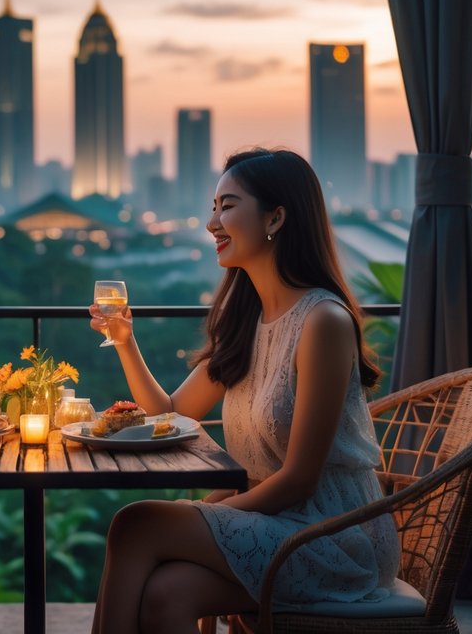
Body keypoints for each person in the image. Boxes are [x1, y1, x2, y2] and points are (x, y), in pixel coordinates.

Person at [89, 148, 400, 633]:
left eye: (227, 206)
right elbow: (171, 412)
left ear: (276, 216)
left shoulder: (323, 321)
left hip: (332, 535)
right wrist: (126, 344)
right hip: (275, 522)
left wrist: (205, 513)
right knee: (165, 593)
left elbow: (300, 479)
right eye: (213, 207)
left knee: (136, 523)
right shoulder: (248, 319)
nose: (213, 222)